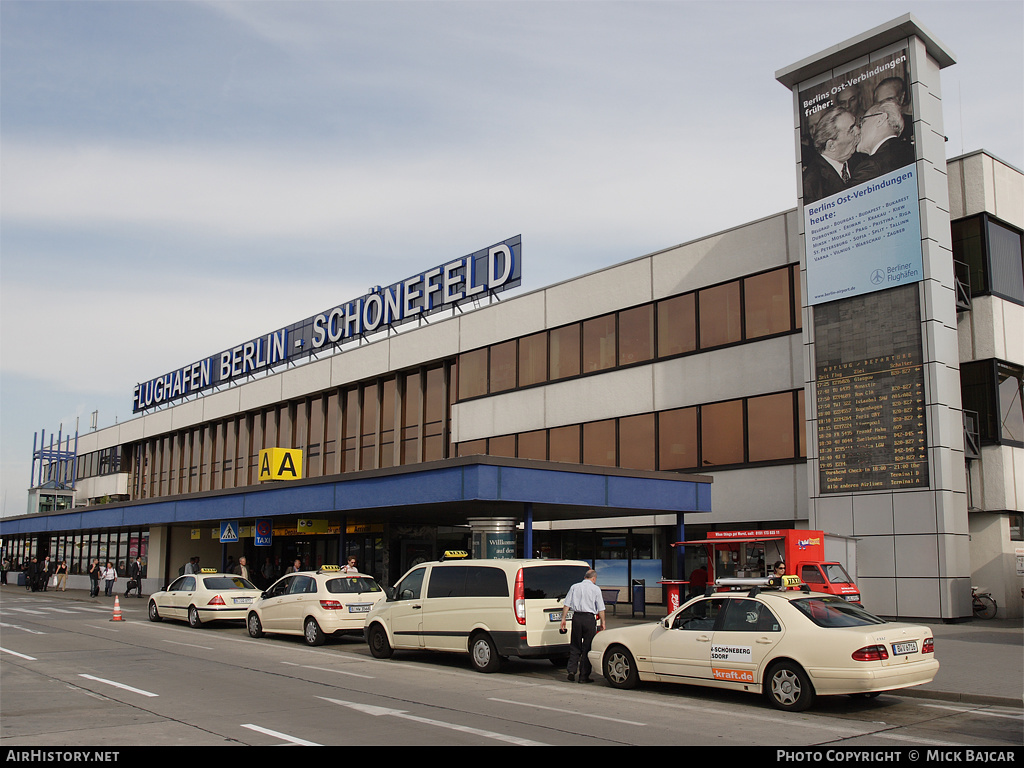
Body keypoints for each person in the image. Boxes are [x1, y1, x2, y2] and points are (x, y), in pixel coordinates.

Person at [802, 107, 872, 205]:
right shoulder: (810, 184)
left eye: (856, 124)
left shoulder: (863, 159)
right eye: (851, 130)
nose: (858, 131)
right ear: (831, 146)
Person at [559, 569, 606, 683]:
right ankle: (583, 676)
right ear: (593, 578)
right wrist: (603, 622)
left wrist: (563, 619)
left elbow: (567, 604)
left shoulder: (574, 587)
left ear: (585, 577)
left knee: (575, 645)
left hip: (577, 618)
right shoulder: (595, 589)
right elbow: (601, 608)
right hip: (589, 619)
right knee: (587, 646)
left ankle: (571, 670)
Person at [856, 101, 914, 175]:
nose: (858, 129)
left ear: (880, 119)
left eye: (863, 121)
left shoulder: (872, 166)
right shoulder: (912, 152)